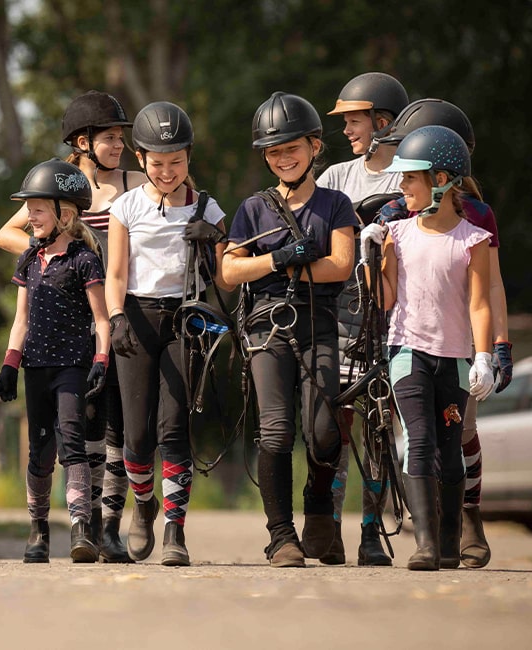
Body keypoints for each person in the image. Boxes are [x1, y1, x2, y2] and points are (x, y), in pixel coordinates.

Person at [0, 90, 144, 562]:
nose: (119, 144)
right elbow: (5, 233)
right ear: (82, 141)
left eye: (122, 136)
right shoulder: (60, 186)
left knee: (120, 425)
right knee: (84, 426)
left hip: (130, 311)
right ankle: (89, 520)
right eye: (110, 137)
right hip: (76, 317)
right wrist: (61, 258)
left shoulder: (136, 180)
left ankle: (114, 523)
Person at [372, 99, 511, 568]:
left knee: (451, 453)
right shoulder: (397, 231)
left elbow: (480, 302)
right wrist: (372, 262)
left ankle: (451, 542)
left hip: (453, 356)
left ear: (442, 181)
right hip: (407, 350)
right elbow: (385, 299)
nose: (401, 187)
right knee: (420, 440)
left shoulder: (472, 240)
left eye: (409, 178)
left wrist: (487, 355)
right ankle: (426, 545)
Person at [221, 91, 356, 568]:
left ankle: (319, 508)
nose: (282, 158)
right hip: (267, 327)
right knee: (275, 432)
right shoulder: (252, 209)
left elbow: (340, 266)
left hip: (319, 325)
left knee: (323, 431)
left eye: (291, 148)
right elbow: (230, 272)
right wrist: (279, 259)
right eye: (273, 151)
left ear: (315, 146)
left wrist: (287, 271)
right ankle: (281, 536)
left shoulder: (336, 204)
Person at [105, 101, 230, 566]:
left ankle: (175, 529)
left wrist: (215, 241)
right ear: (141, 159)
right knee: (137, 437)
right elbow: (115, 271)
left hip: (185, 320)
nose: (167, 171)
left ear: (189, 158)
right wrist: (116, 316)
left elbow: (226, 277)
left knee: (173, 427)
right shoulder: (126, 207)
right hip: (136, 316)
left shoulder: (208, 206)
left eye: (176, 162)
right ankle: (143, 504)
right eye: (157, 163)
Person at [0, 159, 110, 563]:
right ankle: (38, 528)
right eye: (29, 210)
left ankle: (81, 527)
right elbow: (21, 319)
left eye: (37, 210)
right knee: (39, 450)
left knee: (72, 442)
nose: (29, 217)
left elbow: (101, 318)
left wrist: (101, 358)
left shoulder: (83, 260)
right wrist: (10, 364)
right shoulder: (29, 260)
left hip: (72, 366)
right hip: (36, 367)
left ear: (65, 213)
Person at [315, 72, 409, 566]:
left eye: (354, 121)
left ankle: (372, 529)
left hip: (395, 314)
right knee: (335, 423)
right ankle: (329, 526)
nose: (347, 130)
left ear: (384, 121)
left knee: (379, 424)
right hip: (343, 313)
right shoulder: (334, 177)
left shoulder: (411, 177)